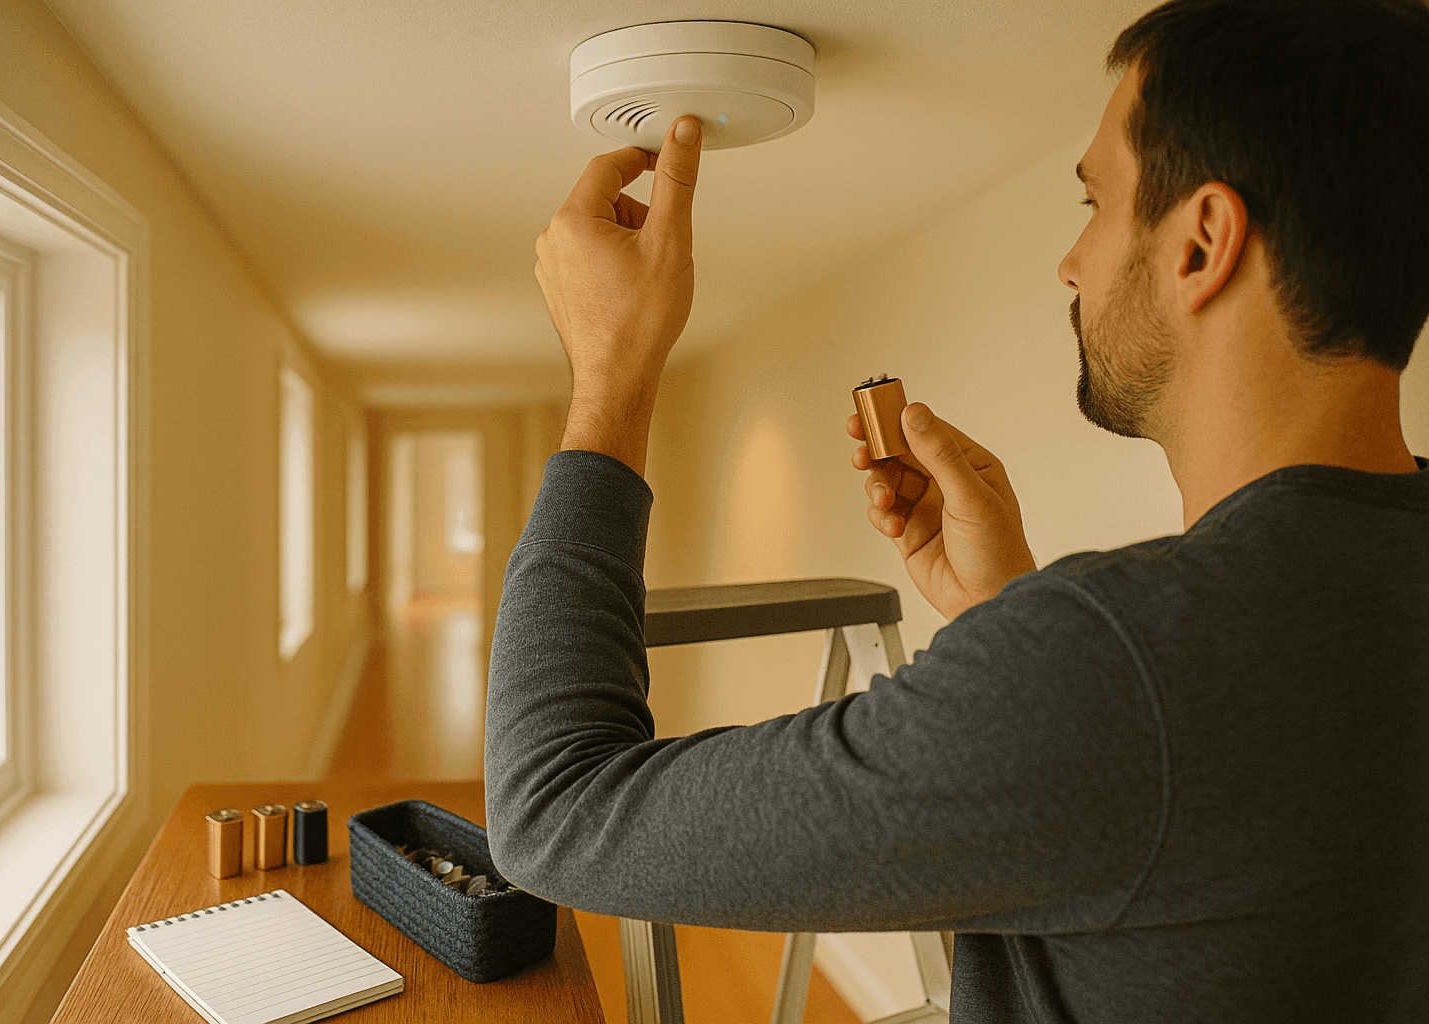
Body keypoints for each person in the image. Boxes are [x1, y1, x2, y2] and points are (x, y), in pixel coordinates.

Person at [485, 1, 1429, 1020]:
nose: (1072, 263)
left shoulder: (1118, 668)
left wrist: (610, 375)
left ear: (1202, 243)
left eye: (1093, 204)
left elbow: (553, 810)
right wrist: (1009, 614)